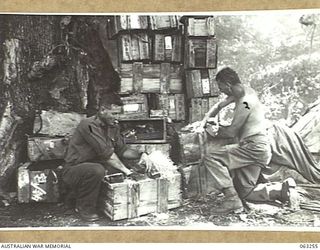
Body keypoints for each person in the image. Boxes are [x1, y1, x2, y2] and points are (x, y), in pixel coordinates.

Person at [199, 67, 296, 214]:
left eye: (221, 87)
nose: (221, 91)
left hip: (253, 148)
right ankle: (281, 190)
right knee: (246, 193)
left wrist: (214, 132)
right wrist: (204, 121)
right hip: (259, 148)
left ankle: (231, 199)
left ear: (228, 84)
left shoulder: (246, 102)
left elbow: (231, 132)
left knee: (211, 157)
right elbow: (219, 106)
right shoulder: (242, 91)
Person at [62, 97, 152, 222]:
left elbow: (122, 150)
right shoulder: (88, 125)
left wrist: (142, 154)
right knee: (97, 170)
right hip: (75, 169)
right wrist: (128, 172)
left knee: (122, 166)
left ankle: (106, 202)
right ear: (103, 110)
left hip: (97, 164)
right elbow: (107, 154)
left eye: (119, 114)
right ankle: (84, 207)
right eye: (114, 113)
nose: (117, 117)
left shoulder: (113, 126)